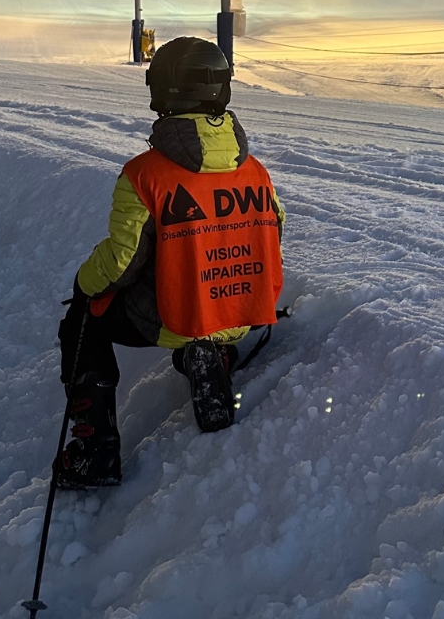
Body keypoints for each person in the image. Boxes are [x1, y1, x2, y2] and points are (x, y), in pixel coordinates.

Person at [55, 37, 285, 489]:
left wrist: (85, 283)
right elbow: (273, 232)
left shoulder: (146, 174)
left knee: (84, 319)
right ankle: (214, 353)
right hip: (246, 312)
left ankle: (93, 451)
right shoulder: (255, 170)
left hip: (183, 316)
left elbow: (121, 264)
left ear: (163, 91)